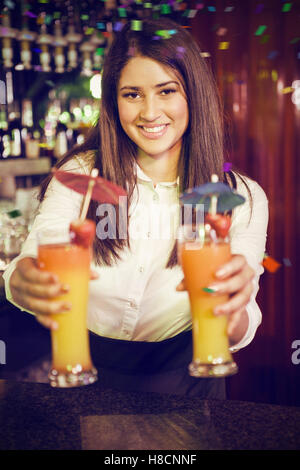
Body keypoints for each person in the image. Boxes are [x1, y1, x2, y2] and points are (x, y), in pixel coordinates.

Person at [3, 18, 268, 398]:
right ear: (113, 101)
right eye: (132, 94)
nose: (149, 112)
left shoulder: (240, 196)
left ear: (193, 94)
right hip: (85, 375)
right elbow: (35, 257)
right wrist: (24, 280)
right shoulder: (80, 176)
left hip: (190, 381)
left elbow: (244, 322)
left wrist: (232, 309)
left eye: (166, 91)